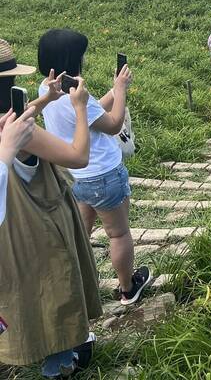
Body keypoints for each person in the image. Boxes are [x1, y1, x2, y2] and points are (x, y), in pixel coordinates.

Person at [0, 38, 102, 378]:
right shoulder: (20, 133)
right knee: (52, 292)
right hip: (36, 230)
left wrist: (45, 99)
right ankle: (60, 365)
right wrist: (80, 108)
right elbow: (78, 156)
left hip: (7, 230)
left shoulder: (10, 129)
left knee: (20, 294)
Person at [37, 29, 152, 306]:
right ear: (72, 59)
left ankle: (80, 288)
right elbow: (112, 124)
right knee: (118, 233)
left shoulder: (47, 89)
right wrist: (123, 91)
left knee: (81, 236)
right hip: (103, 173)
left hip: (75, 175)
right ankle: (127, 289)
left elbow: (91, 115)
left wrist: (113, 90)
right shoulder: (74, 97)